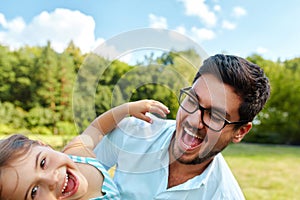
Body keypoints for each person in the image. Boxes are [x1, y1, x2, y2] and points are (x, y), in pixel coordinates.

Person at [94, 54, 271, 199]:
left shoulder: (224, 195)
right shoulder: (132, 132)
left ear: (240, 132)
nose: (194, 121)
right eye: (193, 100)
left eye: (216, 116)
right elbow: (75, 173)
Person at [0, 100, 170, 200]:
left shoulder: (77, 155)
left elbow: (97, 128)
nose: (51, 179)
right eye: (34, 192)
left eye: (43, 163)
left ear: (44, 145)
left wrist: (126, 109)